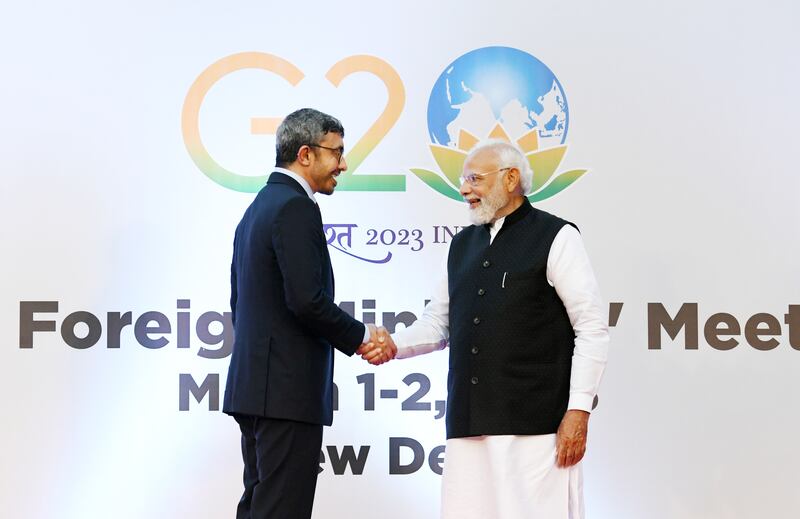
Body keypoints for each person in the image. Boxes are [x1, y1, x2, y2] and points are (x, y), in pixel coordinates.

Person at [363, 140, 609, 519]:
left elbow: (591, 327)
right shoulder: (461, 245)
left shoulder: (557, 237)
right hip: (469, 426)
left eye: (474, 178)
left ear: (511, 179)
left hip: (536, 429)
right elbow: (438, 322)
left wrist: (578, 410)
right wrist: (392, 344)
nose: (464, 189)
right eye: (464, 180)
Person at [222, 108, 392, 519]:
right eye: (337, 152)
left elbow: (240, 304)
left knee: (260, 507)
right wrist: (362, 335)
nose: (343, 164)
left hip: (258, 389)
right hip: (284, 392)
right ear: (305, 154)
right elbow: (306, 300)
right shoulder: (295, 207)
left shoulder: (259, 207)